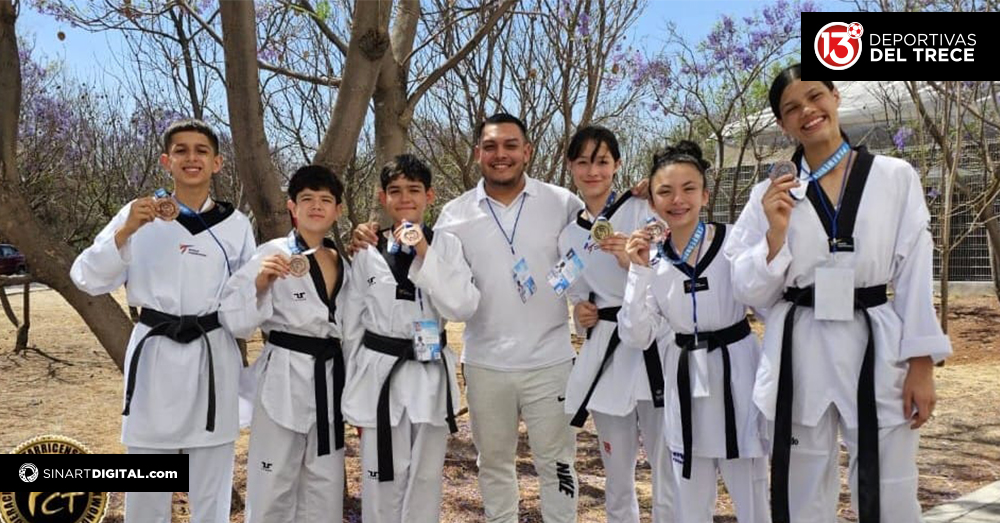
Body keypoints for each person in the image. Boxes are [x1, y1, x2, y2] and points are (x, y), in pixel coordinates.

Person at [725, 64, 951, 523]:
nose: (807, 112)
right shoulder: (769, 195)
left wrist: (922, 364)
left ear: (835, 95)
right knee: (802, 486)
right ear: (782, 124)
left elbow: (913, 270)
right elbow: (745, 286)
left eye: (814, 97)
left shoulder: (894, 176)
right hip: (799, 347)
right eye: (792, 108)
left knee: (891, 486)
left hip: (875, 340)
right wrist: (775, 233)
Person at [351, 113, 583, 523]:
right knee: (493, 466)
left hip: (551, 359)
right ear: (478, 153)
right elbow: (440, 289)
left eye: (511, 145)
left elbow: (596, 242)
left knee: (558, 465)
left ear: (527, 151)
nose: (501, 155)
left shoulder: (562, 202)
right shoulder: (454, 216)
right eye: (491, 146)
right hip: (485, 361)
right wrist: (367, 236)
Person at [70, 118, 256, 523]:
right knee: (148, 483)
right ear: (166, 161)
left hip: (212, 356)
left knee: (211, 485)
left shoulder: (237, 226)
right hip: (154, 355)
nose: (192, 158)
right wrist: (125, 232)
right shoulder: (138, 215)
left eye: (201, 151)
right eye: (181, 150)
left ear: (218, 163)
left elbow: (245, 303)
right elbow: (85, 277)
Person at [619, 141, 770, 523]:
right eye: (665, 191)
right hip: (684, 379)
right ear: (651, 203)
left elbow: (768, 302)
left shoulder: (734, 241)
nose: (678, 200)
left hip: (737, 373)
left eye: (688, 188)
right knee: (690, 497)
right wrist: (637, 272)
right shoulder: (652, 259)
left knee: (751, 492)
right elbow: (637, 335)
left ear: (705, 194)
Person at [340, 154, 480, 523]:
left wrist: (423, 251)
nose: (405, 199)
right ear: (383, 197)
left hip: (429, 374)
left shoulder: (446, 246)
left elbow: (461, 306)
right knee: (381, 478)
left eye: (414, 191)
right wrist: (354, 392)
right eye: (396, 191)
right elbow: (351, 326)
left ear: (429, 196)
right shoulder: (366, 249)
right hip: (378, 377)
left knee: (425, 478)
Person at [556, 125, 674, 523]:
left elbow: (672, 275)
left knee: (667, 471)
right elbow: (576, 296)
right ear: (571, 166)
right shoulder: (568, 235)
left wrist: (631, 261)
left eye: (603, 161)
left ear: (617, 165)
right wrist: (581, 316)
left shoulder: (644, 210)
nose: (593, 171)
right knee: (618, 476)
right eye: (584, 162)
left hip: (654, 347)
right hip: (606, 352)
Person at [221, 165, 349, 523]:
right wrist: (261, 283)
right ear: (293, 206)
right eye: (307, 199)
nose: (317, 207)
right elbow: (234, 319)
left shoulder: (344, 262)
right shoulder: (272, 253)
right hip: (284, 378)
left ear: (338, 209)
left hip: (330, 381)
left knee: (324, 487)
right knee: (272, 482)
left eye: (326, 200)